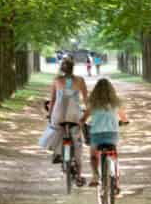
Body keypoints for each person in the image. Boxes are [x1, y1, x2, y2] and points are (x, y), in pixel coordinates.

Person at [80, 78, 129, 190]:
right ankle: (116, 182)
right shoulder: (116, 104)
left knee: (93, 155)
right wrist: (123, 122)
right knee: (114, 156)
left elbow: (83, 119)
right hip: (112, 135)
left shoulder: (92, 104)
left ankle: (95, 175)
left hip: (96, 135)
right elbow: (124, 119)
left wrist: (82, 123)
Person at [47, 55, 88, 184]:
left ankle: (57, 153)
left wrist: (49, 115)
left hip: (59, 114)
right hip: (75, 115)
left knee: (55, 130)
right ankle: (79, 175)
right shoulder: (80, 80)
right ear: (73, 68)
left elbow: (53, 100)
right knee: (77, 145)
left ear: (62, 69)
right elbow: (86, 100)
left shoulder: (56, 80)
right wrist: (87, 113)